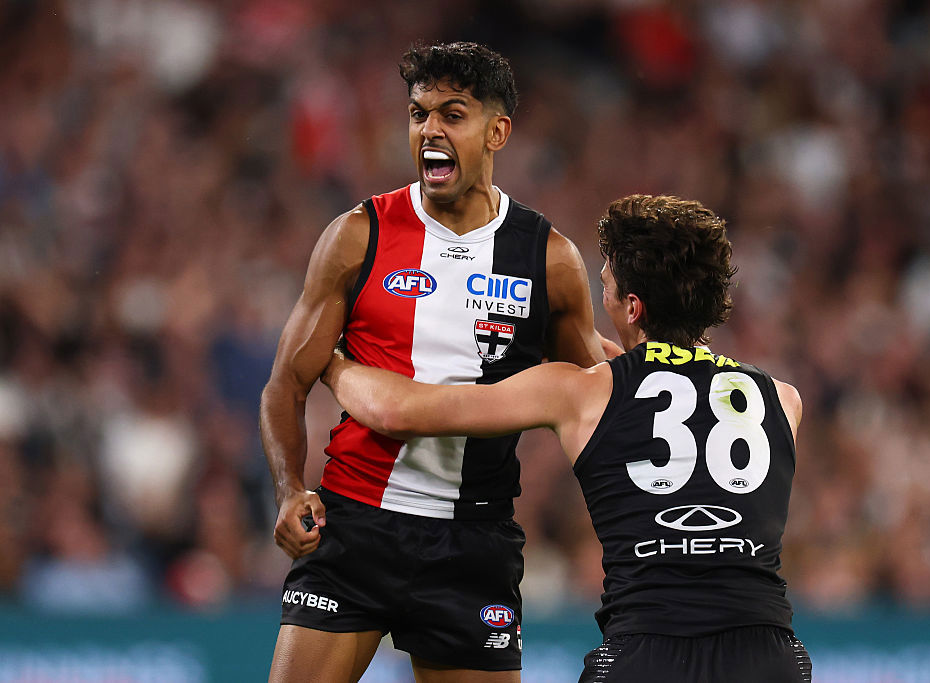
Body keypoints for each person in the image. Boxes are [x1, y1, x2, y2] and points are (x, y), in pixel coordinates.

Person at [322, 194, 813, 682]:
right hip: (770, 656)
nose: (601, 299)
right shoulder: (783, 400)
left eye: (606, 287)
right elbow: (666, 375)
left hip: (649, 651)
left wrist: (330, 360)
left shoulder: (581, 393)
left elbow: (396, 410)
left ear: (633, 306)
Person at [260, 41, 613, 682]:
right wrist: (288, 490)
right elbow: (285, 384)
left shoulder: (548, 259)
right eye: (419, 114)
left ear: (497, 131)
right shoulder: (357, 235)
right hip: (356, 524)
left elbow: (601, 388)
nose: (430, 131)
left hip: (472, 540)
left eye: (453, 115)